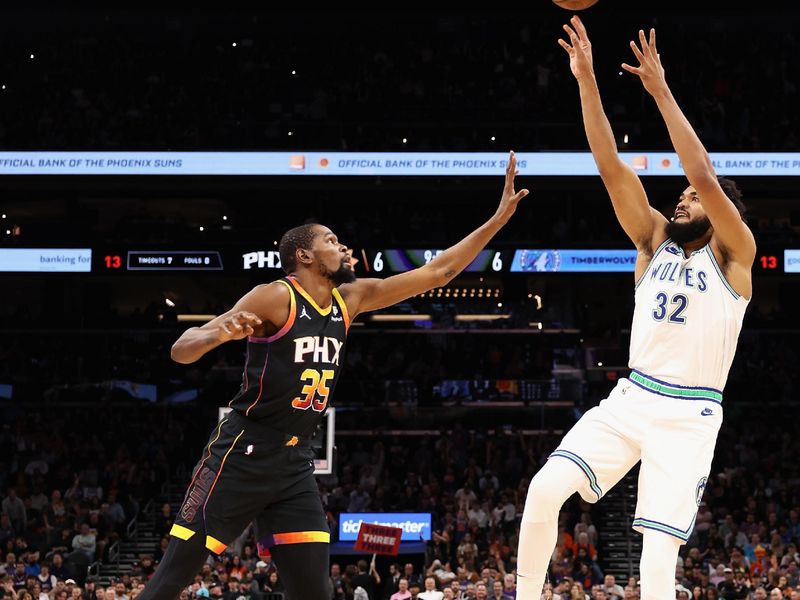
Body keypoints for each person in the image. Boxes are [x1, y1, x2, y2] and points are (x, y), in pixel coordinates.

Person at [137, 152, 529, 600]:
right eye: (331, 240)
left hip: (293, 463)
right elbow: (180, 349)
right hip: (241, 453)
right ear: (304, 254)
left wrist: (498, 219)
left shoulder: (351, 298)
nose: (342, 247)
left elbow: (441, 271)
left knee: (314, 591)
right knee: (173, 578)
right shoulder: (275, 296)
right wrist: (214, 335)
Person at [516, 16, 755, 600]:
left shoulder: (734, 254)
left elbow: (701, 170)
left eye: (693, 198)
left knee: (656, 560)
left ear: (723, 210)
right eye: (680, 195)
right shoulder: (651, 242)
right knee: (545, 488)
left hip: (691, 413)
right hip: (633, 395)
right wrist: (586, 80)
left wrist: (660, 91)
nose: (683, 196)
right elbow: (610, 166)